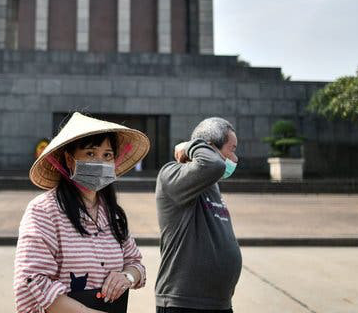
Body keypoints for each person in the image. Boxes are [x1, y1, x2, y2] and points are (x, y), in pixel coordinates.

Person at [14, 112, 151, 313]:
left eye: (107, 155)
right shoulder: (43, 211)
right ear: (70, 160)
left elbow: (135, 263)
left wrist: (127, 277)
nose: (100, 162)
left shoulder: (112, 213)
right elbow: (33, 280)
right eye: (90, 154)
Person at [155, 117, 241, 313]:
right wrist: (190, 146)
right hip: (184, 303)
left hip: (217, 303)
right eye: (232, 149)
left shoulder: (211, 184)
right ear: (209, 147)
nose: (235, 159)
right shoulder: (172, 174)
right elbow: (214, 165)